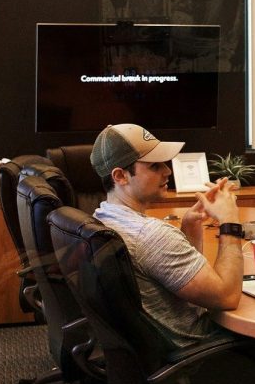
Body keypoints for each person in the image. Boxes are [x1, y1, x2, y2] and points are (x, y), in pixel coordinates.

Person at [90, 123, 245, 348]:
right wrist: (230, 222)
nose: (167, 171)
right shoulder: (151, 235)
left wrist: (189, 227)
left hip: (150, 352)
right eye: (154, 166)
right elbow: (227, 297)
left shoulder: (102, 216)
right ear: (120, 176)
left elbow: (176, 277)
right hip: (200, 351)